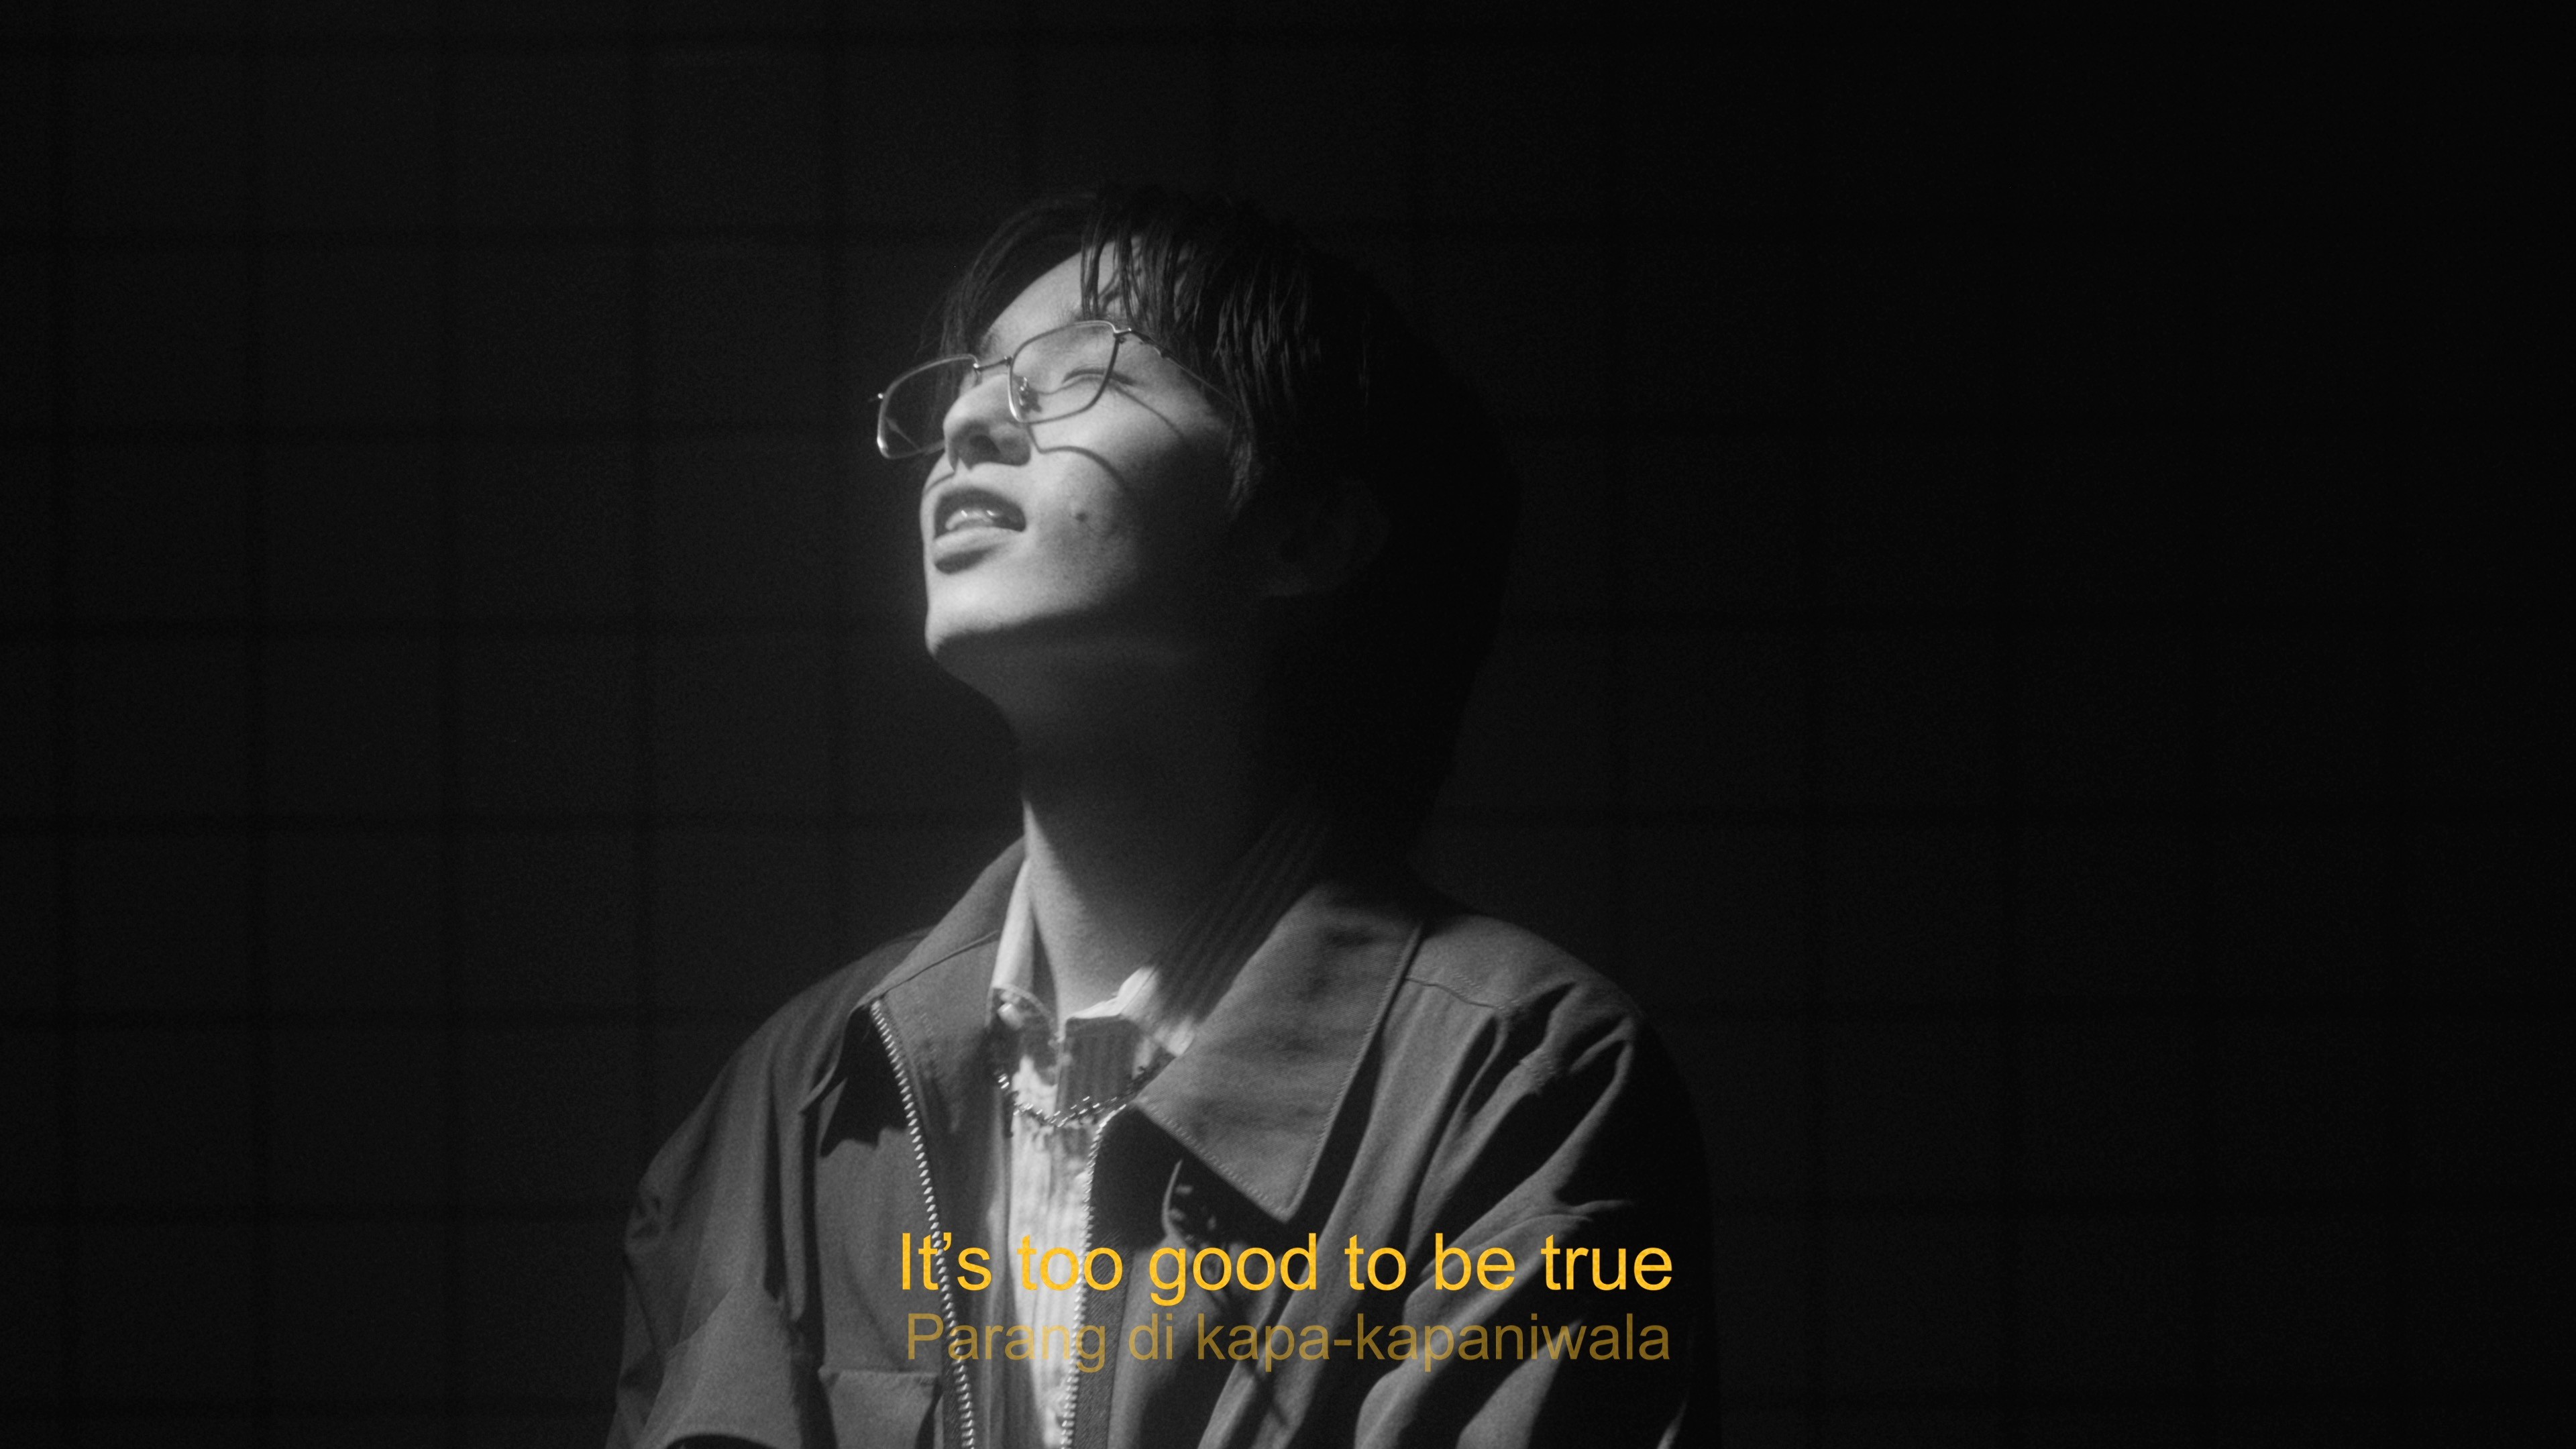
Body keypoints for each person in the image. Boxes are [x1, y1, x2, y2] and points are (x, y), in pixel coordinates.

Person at [607, 187, 1711, 1449]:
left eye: (1078, 372)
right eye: (968, 385)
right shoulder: (784, 1102)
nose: (965, 424)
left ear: (1307, 531)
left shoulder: (1520, 1080)